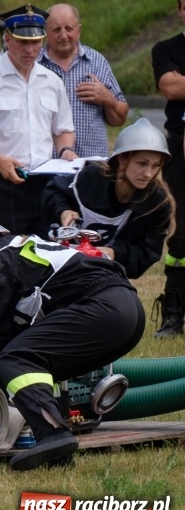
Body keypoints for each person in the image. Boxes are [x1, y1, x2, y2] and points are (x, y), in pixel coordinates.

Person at [0, 197, 144, 470]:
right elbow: (9, 330)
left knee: (15, 361)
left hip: (104, 308)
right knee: (22, 367)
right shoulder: (15, 251)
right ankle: (58, 452)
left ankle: (53, 435)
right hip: (127, 313)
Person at [0, 4, 76, 237]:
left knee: (46, 253)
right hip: (1, 184)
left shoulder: (52, 80)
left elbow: (63, 129)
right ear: (7, 40)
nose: (30, 49)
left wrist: (66, 150)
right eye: (22, 42)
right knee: (3, 255)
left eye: (36, 42)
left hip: (44, 183)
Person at [43, 117, 173, 279]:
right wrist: (64, 210)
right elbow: (54, 191)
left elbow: (147, 252)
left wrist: (114, 253)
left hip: (107, 275)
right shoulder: (90, 179)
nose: (148, 174)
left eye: (155, 166)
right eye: (142, 163)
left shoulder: (157, 204)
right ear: (122, 159)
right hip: (60, 266)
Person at [38, 3, 129, 158]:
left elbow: (119, 119)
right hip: (46, 165)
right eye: (56, 29)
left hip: (91, 165)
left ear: (78, 31)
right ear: (45, 32)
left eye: (69, 28)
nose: (63, 35)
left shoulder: (97, 62)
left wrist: (108, 99)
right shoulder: (34, 65)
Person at [151, 0, 185, 338]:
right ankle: (175, 312)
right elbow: (170, 87)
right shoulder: (167, 49)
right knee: (180, 236)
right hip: (179, 150)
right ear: (179, 10)